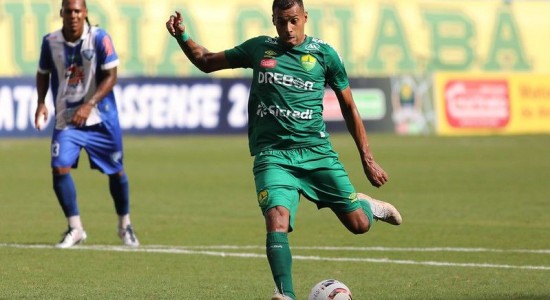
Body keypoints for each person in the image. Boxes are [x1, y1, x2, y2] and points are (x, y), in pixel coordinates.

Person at [166, 0, 402, 299]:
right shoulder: (259, 48)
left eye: (293, 20)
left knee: (359, 225)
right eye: (280, 21)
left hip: (316, 152)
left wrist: (367, 158)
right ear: (273, 20)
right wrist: (182, 37)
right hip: (273, 156)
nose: (287, 28)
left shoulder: (325, 55)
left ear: (305, 17)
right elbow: (207, 61)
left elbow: (349, 106)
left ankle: (368, 206)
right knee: (276, 217)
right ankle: (285, 294)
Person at [34, 0, 139, 248]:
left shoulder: (100, 38)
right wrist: (41, 102)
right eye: (68, 11)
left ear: (85, 13)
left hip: (101, 118)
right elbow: (42, 72)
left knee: (116, 171)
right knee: (59, 167)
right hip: (66, 119)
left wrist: (89, 104)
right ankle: (75, 228)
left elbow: (111, 75)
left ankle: (125, 225)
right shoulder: (50, 41)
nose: (73, 15)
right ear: (61, 13)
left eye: (77, 11)